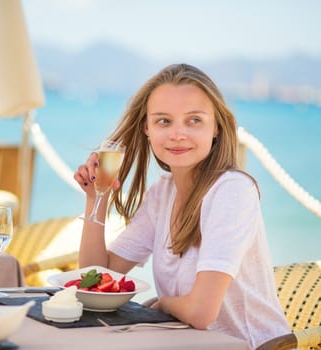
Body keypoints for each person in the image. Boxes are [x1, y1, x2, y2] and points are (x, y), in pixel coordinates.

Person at [74, 63, 290, 348]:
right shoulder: (162, 194)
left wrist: (163, 305)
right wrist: (96, 198)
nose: (177, 134)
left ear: (216, 128)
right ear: (147, 128)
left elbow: (201, 313)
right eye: (164, 121)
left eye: (194, 120)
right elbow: (95, 279)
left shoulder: (232, 191)